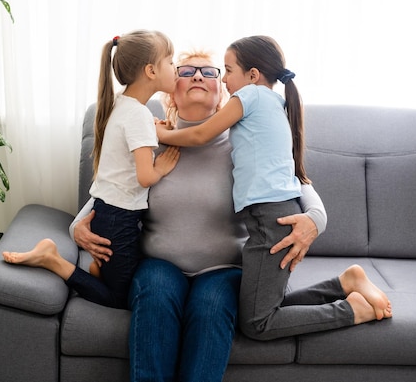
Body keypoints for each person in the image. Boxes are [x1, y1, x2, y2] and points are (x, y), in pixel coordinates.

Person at [72, 49, 323, 382]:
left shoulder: (243, 141)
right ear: (169, 90)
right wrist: (77, 224)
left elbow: (296, 183)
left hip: (224, 268)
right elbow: (110, 190)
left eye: (209, 72)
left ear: (223, 91)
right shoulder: (148, 141)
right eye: (187, 71)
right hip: (160, 264)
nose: (198, 76)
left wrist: (315, 220)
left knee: (210, 308)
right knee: (157, 296)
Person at [156, 36, 392, 342]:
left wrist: (158, 134)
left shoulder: (251, 98)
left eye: (225, 71)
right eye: (187, 73)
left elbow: (201, 135)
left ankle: (351, 311)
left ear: (253, 76)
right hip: (270, 216)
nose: (225, 80)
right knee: (254, 309)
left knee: (257, 323)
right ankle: (343, 284)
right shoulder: (273, 105)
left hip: (270, 218)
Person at [3, 30, 180, 309]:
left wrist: (153, 130)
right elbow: (145, 177)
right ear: (151, 70)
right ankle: (53, 260)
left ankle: (99, 272)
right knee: (119, 298)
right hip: (121, 219)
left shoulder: (119, 105)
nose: (176, 68)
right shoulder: (140, 116)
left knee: (122, 279)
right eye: (170, 61)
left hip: (106, 212)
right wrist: (161, 166)